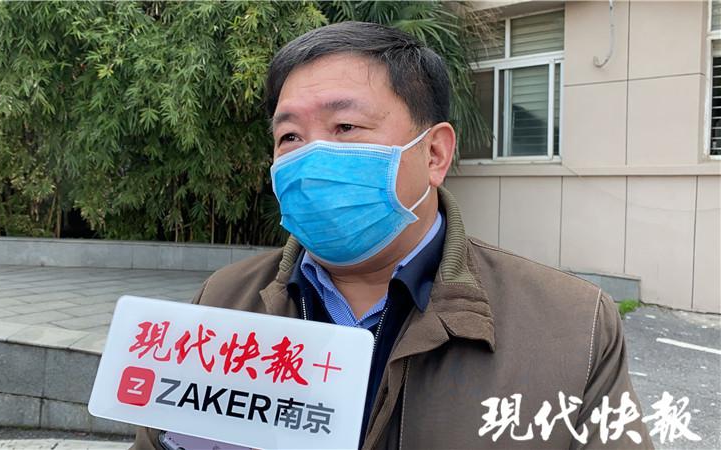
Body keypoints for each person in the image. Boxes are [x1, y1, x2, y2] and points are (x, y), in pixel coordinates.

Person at [134, 21, 652, 449]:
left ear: (435, 153)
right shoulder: (223, 300)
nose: (310, 158)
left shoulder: (574, 326)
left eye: (345, 127)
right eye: (289, 136)